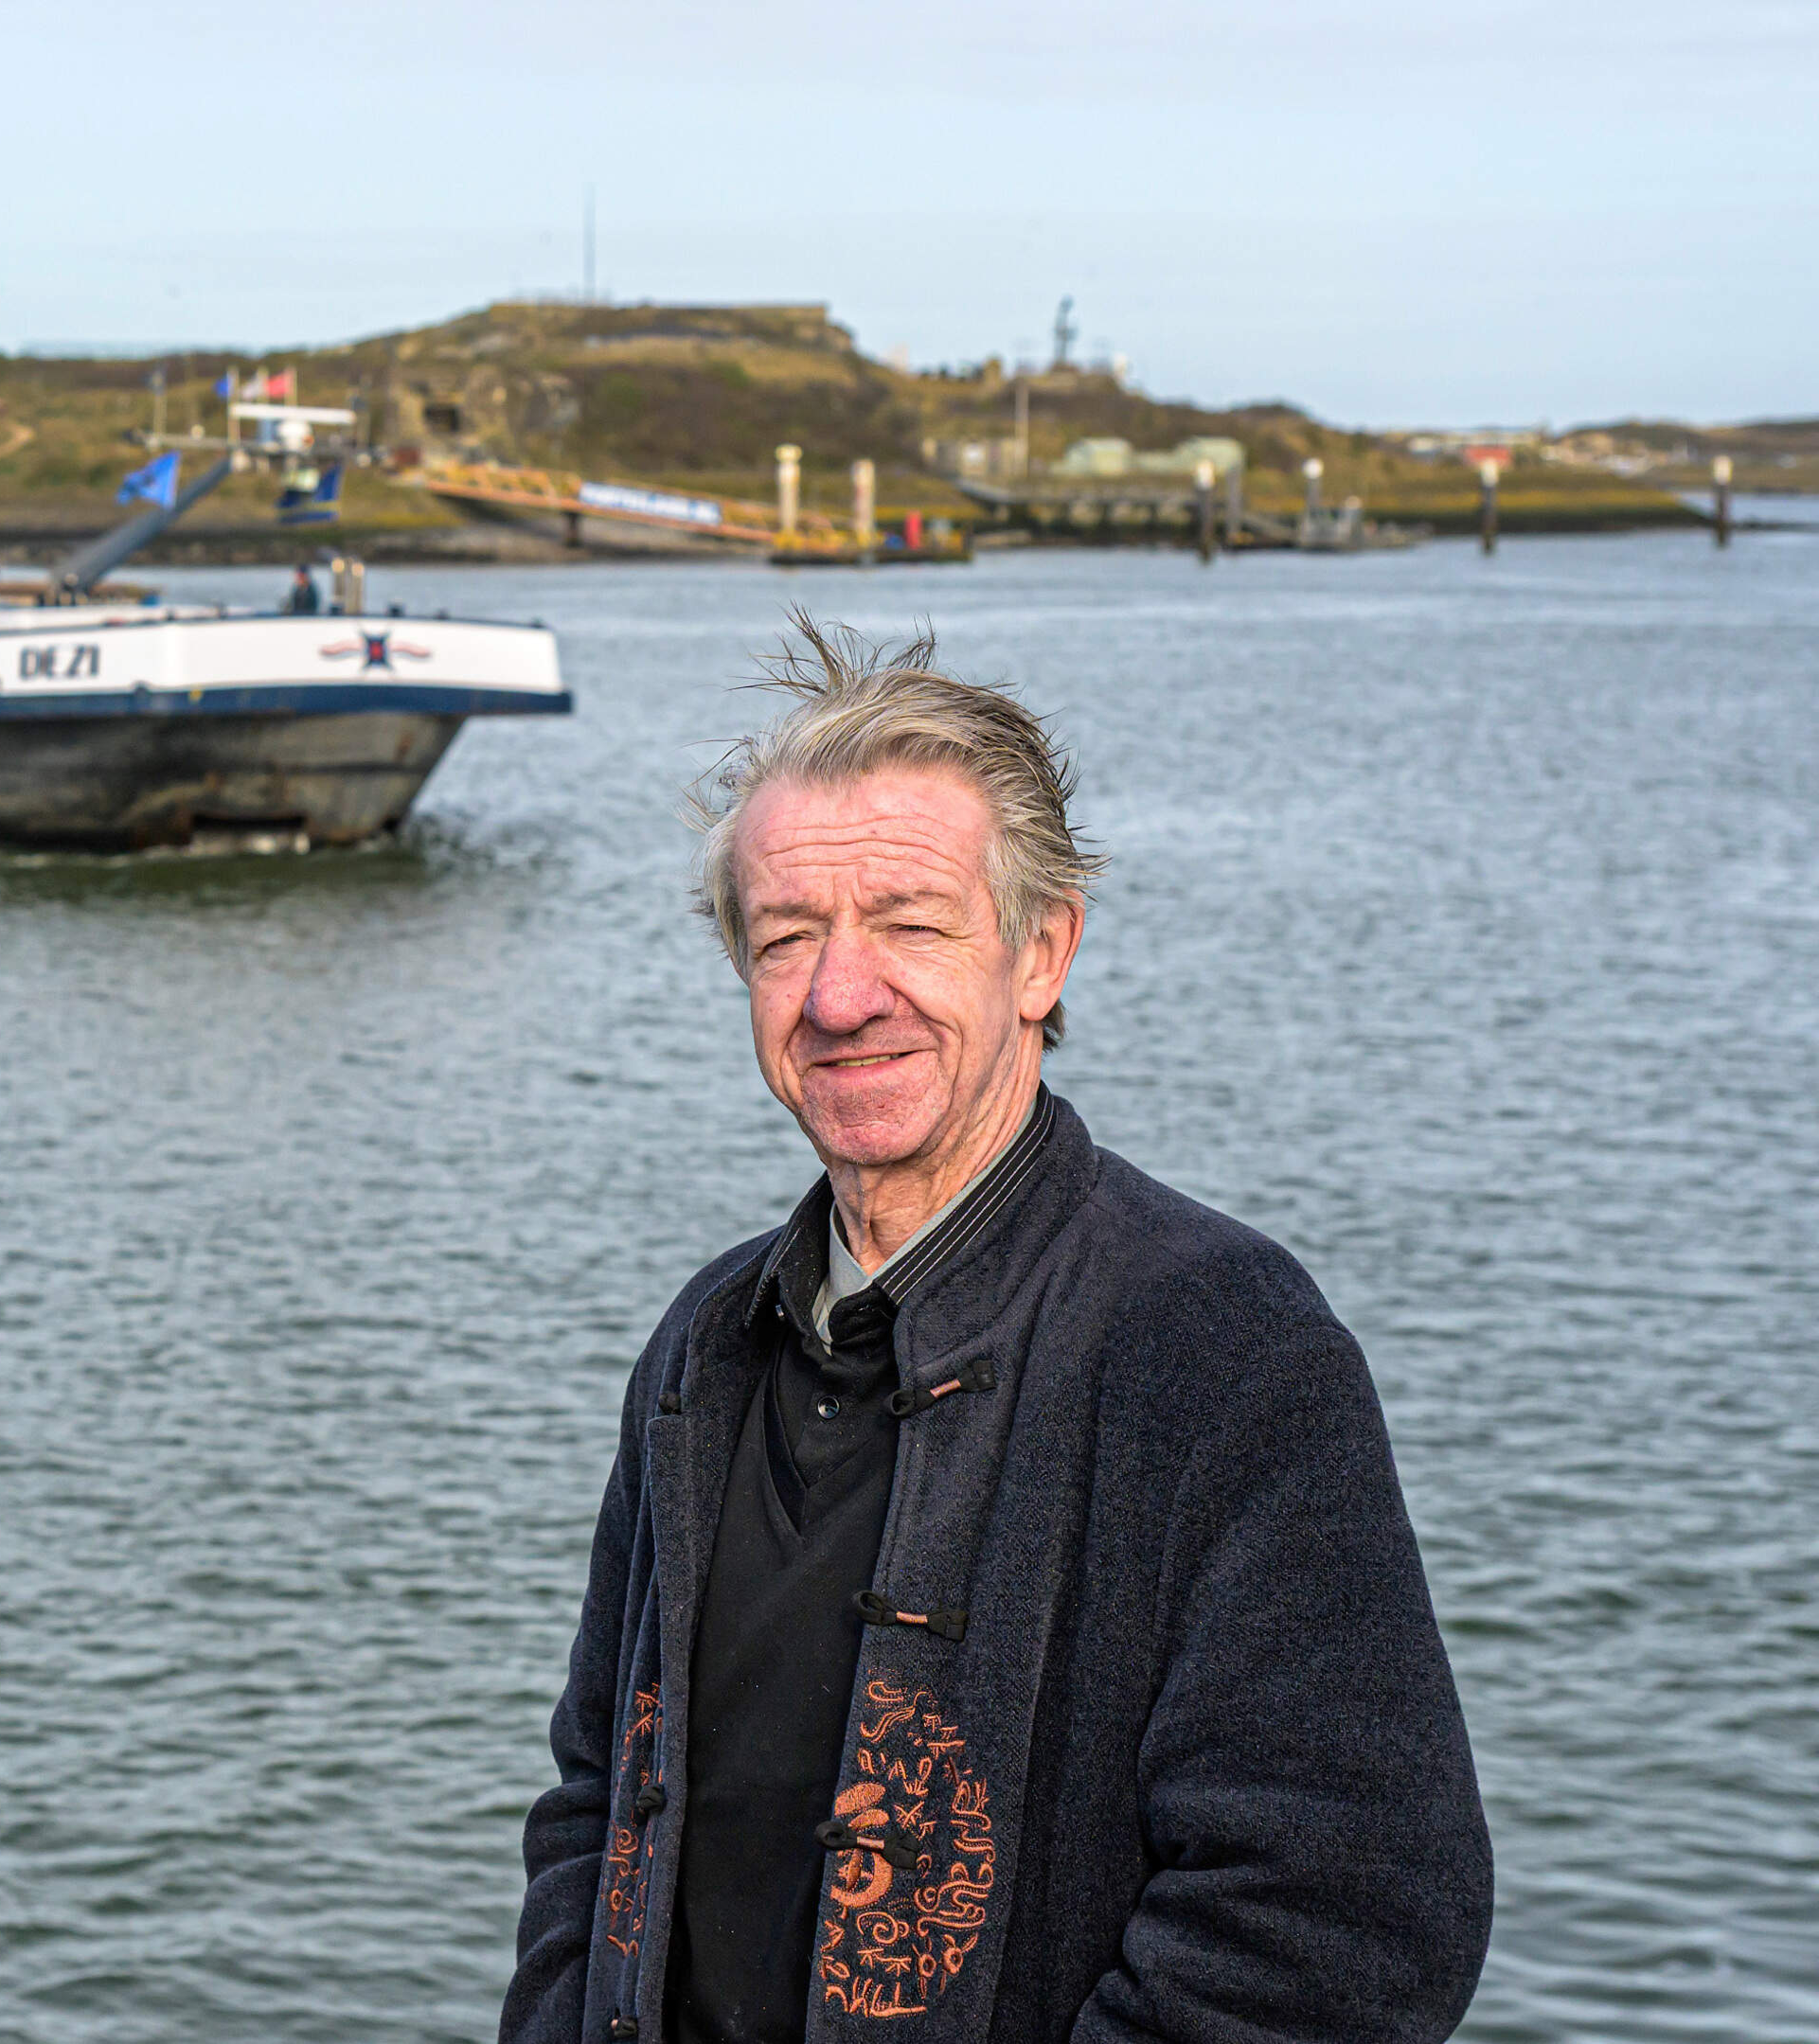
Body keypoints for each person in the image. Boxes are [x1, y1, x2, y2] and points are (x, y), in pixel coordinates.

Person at [502, 626, 1488, 2044]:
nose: (841, 997)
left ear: (1042, 950)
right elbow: (597, 1804)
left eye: (909, 922)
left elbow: (1352, 1920)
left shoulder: (1220, 1347)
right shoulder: (707, 1345)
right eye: (787, 939)